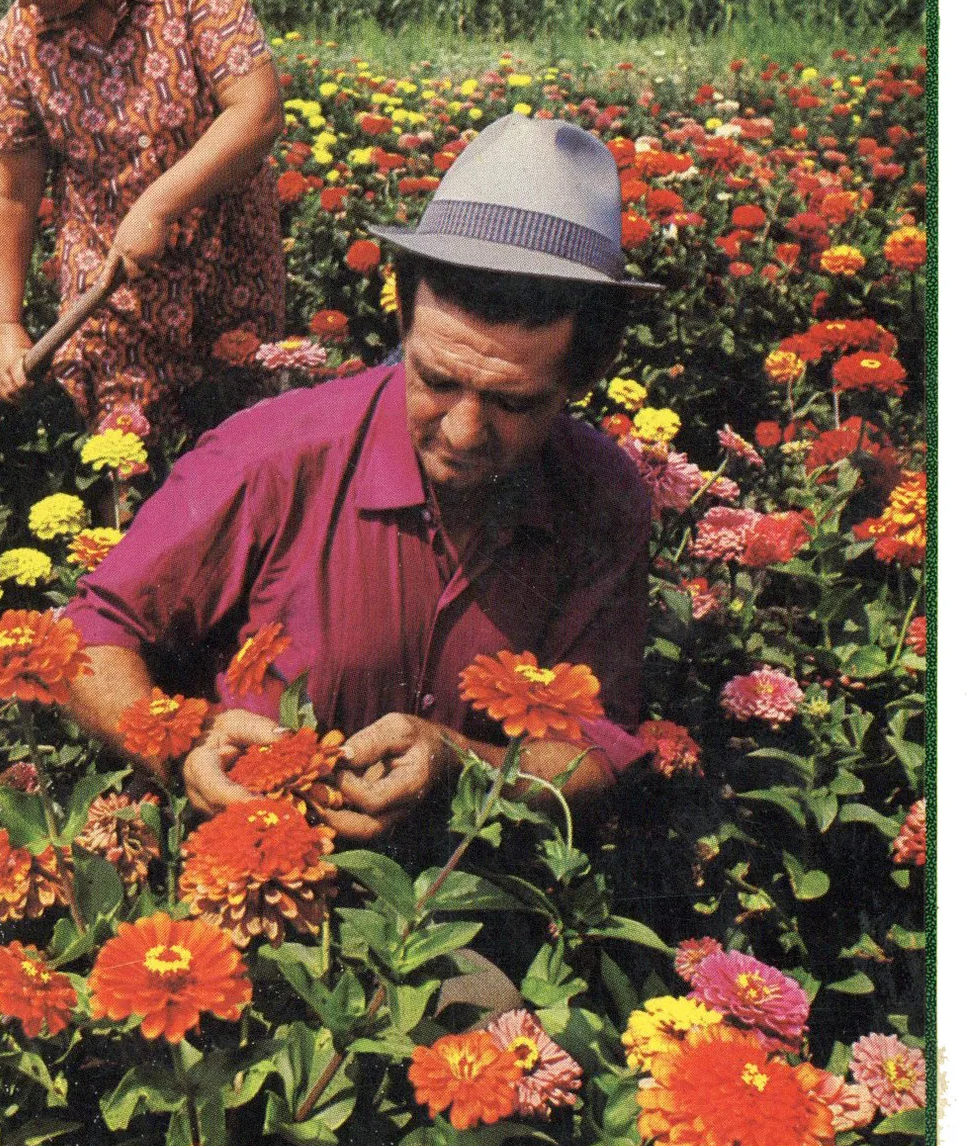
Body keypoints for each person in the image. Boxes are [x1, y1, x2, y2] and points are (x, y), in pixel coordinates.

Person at [63, 112, 659, 848]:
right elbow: (89, 635)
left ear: (585, 374)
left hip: (464, 883)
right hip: (243, 859)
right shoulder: (273, 456)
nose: (463, 431)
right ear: (403, 317)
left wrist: (462, 765)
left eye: (513, 403)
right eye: (436, 380)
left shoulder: (603, 501)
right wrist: (184, 746)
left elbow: (598, 748)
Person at [0, 0, 287, 439]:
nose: (24, 3)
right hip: (109, 289)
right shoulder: (21, 40)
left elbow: (257, 111)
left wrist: (157, 206)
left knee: (238, 450)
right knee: (123, 457)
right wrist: (7, 325)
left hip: (228, 273)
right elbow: (13, 190)